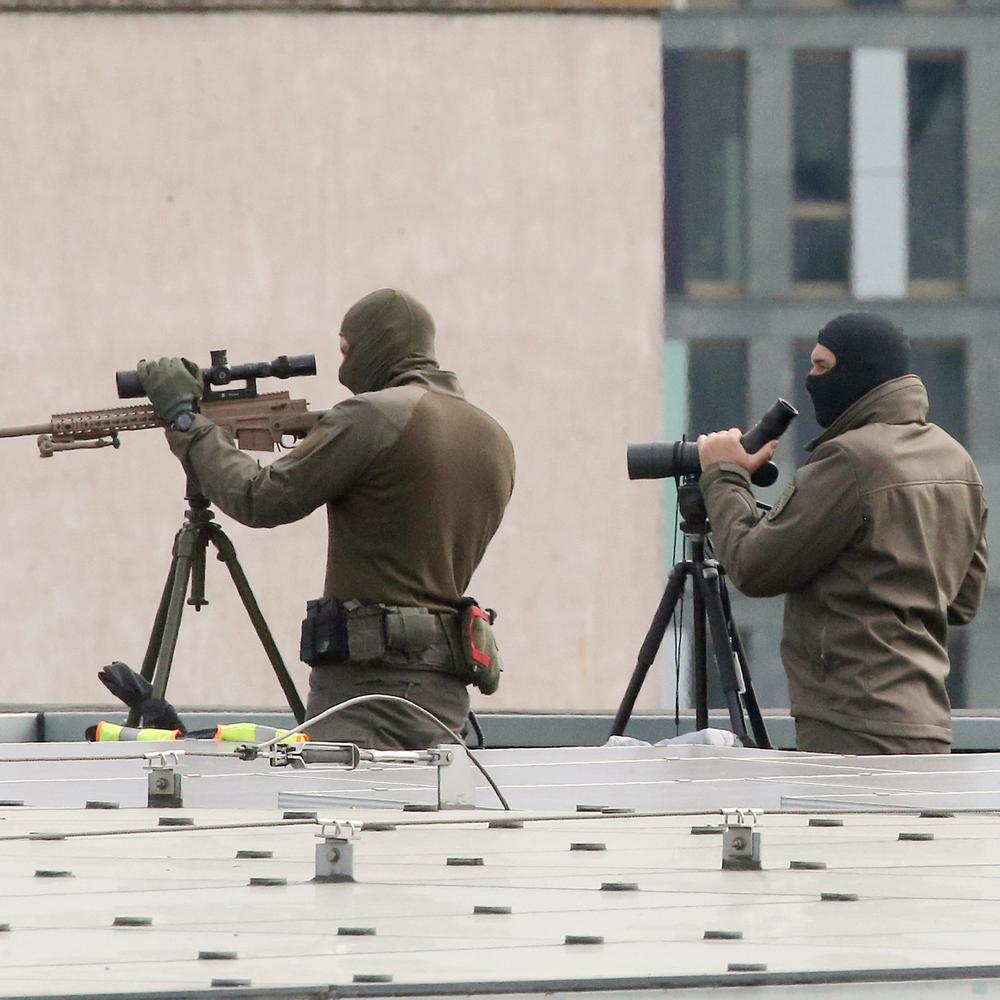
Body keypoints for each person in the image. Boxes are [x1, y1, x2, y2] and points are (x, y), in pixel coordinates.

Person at [137, 288, 515, 749]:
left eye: (346, 349)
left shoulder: (372, 417)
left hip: (367, 695)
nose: (342, 368)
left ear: (377, 344)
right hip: (444, 692)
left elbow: (260, 497)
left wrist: (187, 424)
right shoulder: (493, 437)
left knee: (337, 813)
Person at [696, 312, 988, 755]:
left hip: (851, 723)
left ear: (861, 372)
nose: (810, 379)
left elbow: (752, 568)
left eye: (822, 365)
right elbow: (962, 601)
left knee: (847, 826)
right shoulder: (955, 460)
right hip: (926, 723)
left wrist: (724, 476)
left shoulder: (848, 461)